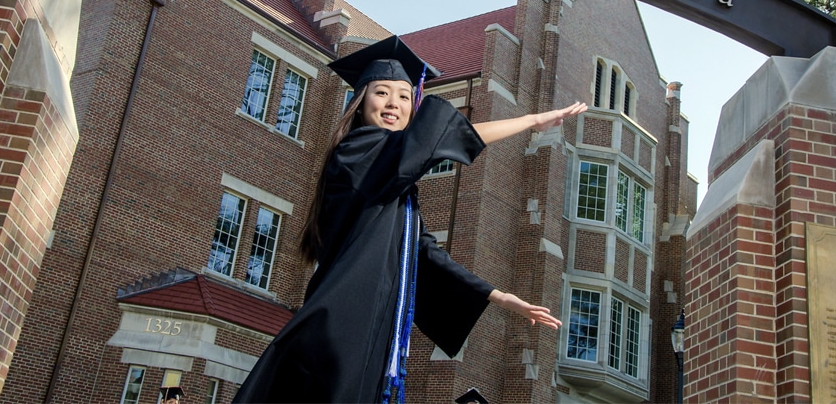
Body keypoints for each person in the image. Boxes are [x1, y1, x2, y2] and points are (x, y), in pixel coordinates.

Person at [233, 36, 586, 404]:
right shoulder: (355, 155)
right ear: (359, 104)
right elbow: (432, 145)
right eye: (381, 93)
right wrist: (530, 120)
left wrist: (500, 296)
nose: (393, 104)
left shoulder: (396, 184)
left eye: (404, 96)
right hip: (339, 322)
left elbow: (424, 252)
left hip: (371, 325)